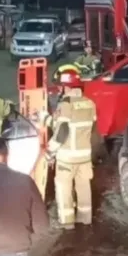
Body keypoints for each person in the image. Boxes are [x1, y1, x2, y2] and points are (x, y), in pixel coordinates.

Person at [45, 68, 97, 229]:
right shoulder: (90, 103)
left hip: (67, 158)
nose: (60, 89)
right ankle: (85, 218)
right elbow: (91, 127)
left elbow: (62, 131)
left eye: (61, 86)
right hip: (85, 156)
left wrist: (50, 151)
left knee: (64, 188)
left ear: (66, 87)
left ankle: (67, 223)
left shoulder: (66, 104)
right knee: (83, 187)